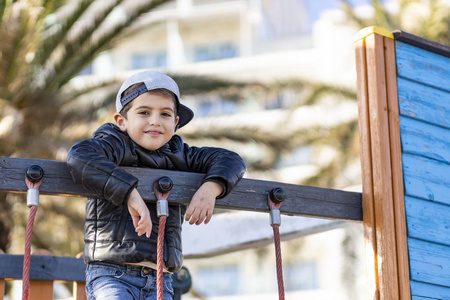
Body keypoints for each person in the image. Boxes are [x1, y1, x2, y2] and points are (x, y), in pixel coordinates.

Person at [66, 70, 246, 300]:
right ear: (121, 121)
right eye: (144, 112)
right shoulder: (113, 144)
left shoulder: (181, 154)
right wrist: (130, 194)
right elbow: (79, 156)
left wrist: (211, 187)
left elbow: (232, 160)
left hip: (161, 278)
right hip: (112, 273)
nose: (155, 121)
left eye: (165, 114)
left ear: (176, 122)